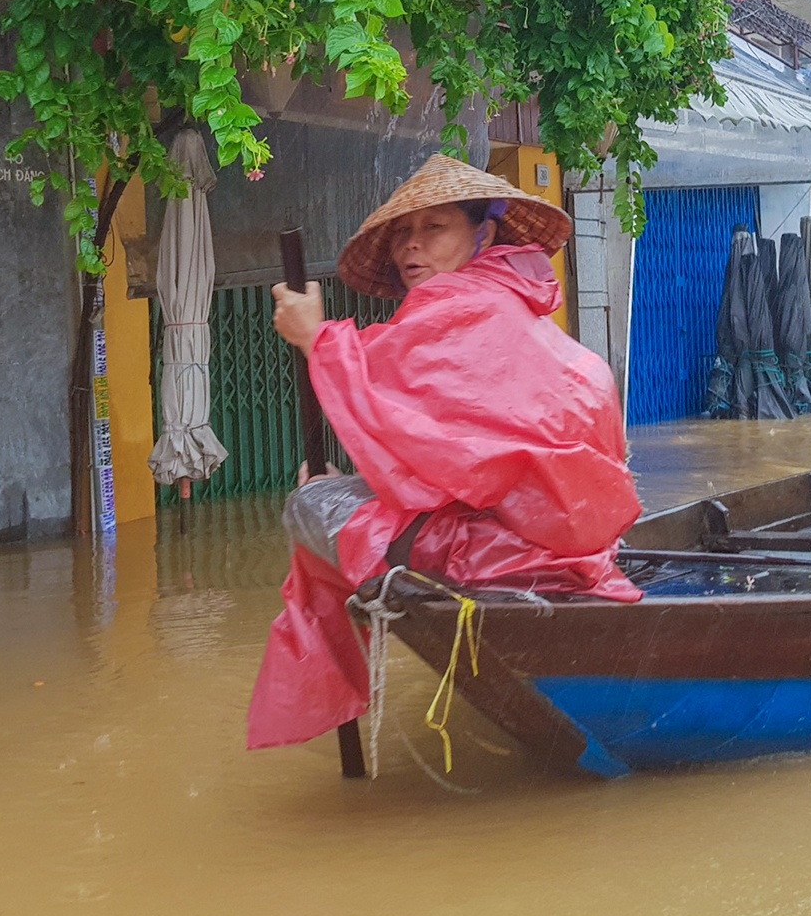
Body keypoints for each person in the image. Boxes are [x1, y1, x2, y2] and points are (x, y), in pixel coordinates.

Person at [246, 154, 641, 751]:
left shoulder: (462, 306)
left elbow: (378, 378)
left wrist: (315, 337)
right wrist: (353, 482)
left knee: (307, 503)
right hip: (544, 539)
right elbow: (449, 453)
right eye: (404, 232)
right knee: (331, 489)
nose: (412, 246)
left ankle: (364, 602)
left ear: (484, 232)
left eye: (435, 229)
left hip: (508, 553)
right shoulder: (506, 301)